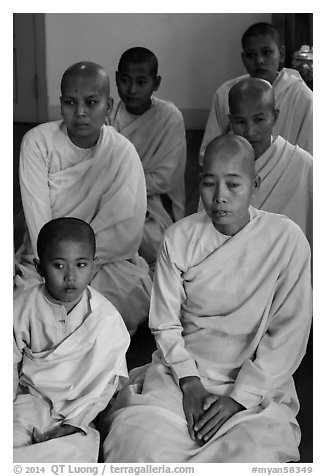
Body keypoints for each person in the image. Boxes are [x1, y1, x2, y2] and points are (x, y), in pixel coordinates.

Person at [101, 134, 312, 463]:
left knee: (253, 454)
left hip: (255, 378)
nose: (220, 198)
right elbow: (165, 323)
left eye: (233, 185)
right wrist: (189, 382)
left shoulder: (286, 240)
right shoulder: (179, 238)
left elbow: (290, 333)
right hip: (184, 369)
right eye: (210, 184)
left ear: (255, 184)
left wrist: (239, 398)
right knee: (135, 441)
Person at [15, 61, 151, 335]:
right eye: (70, 102)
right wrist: (59, 266)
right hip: (48, 259)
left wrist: (80, 266)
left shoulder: (121, 152)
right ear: (60, 102)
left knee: (124, 298)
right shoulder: (37, 142)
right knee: (25, 308)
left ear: (108, 105)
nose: (80, 113)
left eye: (91, 102)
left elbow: (124, 229)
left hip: (100, 260)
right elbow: (38, 219)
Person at [14, 217, 130, 462]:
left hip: (80, 408)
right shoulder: (22, 307)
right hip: (30, 397)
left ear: (93, 266)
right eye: (58, 266)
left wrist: (77, 422)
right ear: (39, 267)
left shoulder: (105, 317)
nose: (71, 277)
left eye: (80, 265)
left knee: (73, 452)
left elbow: (106, 383)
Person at [110, 47, 187, 271]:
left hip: (154, 204)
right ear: (116, 79)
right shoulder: (108, 114)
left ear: (156, 83)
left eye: (141, 82)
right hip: (110, 197)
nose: (132, 89)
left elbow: (164, 178)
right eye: (125, 80)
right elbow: (98, 165)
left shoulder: (169, 118)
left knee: (153, 242)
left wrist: (119, 185)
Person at [199, 22, 313, 162]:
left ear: (281, 54)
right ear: (243, 59)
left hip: (288, 179)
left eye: (266, 53)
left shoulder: (302, 97)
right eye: (250, 55)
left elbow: (310, 159)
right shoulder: (225, 93)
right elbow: (209, 153)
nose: (259, 60)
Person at [228, 77, 312, 247]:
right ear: (230, 121)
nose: (250, 131)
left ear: (275, 117)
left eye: (259, 120)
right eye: (240, 122)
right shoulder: (221, 164)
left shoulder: (303, 166)